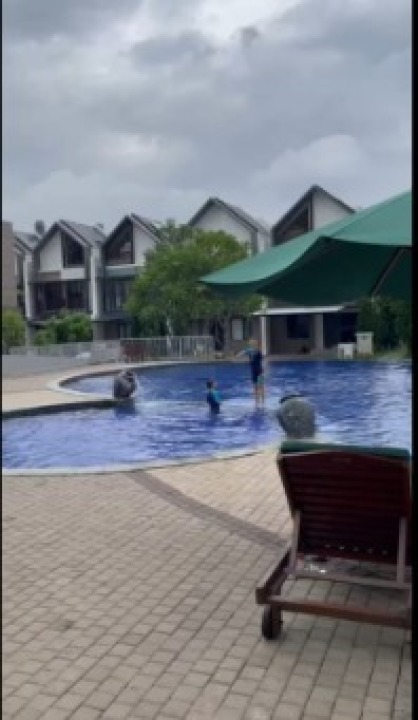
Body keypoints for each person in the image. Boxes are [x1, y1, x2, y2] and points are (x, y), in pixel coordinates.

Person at [237, 338, 265, 406]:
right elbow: (243, 352)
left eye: (253, 343)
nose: (252, 344)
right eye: (251, 343)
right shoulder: (249, 351)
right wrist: (238, 355)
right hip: (253, 372)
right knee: (255, 388)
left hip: (260, 371)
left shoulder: (258, 351)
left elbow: (261, 358)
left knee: (261, 387)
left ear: (256, 344)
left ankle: (263, 402)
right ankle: (256, 402)